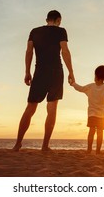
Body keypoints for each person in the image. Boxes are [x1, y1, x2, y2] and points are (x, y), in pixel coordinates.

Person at [13, 10, 75, 151]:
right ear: (58, 20)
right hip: (55, 72)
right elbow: (65, 51)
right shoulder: (61, 31)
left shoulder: (34, 31)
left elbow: (29, 51)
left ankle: (17, 144)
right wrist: (71, 72)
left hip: (39, 71)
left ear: (47, 19)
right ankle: (45, 145)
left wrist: (27, 71)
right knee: (52, 109)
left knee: (30, 108)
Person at [71, 65, 104, 154]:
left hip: (92, 114)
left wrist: (72, 83)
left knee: (91, 131)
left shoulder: (91, 87)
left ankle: (89, 150)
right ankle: (98, 151)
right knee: (100, 132)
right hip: (102, 114)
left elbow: (80, 88)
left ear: (96, 76)